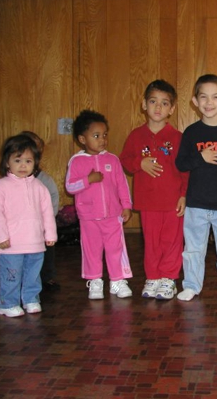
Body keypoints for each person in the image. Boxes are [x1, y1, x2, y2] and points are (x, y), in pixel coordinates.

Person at [175, 74, 217, 306]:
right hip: (196, 204)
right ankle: (191, 286)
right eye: (203, 97)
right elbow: (181, 164)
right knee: (193, 249)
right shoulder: (191, 133)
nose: (209, 102)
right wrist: (200, 157)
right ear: (195, 101)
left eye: (215, 97)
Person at [120, 80, 188, 300]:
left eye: (164, 103)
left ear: (172, 108)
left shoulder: (177, 138)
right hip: (148, 201)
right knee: (151, 241)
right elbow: (125, 160)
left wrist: (183, 196)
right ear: (143, 104)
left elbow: (186, 171)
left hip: (171, 202)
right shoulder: (136, 136)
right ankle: (153, 277)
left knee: (172, 241)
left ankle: (169, 278)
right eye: (153, 101)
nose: (158, 107)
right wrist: (140, 163)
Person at [65, 110, 133, 300]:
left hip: (113, 216)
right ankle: (95, 281)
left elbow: (122, 185)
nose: (102, 140)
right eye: (96, 136)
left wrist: (126, 205)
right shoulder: (76, 161)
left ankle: (117, 280)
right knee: (92, 250)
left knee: (115, 249)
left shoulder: (112, 159)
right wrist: (88, 180)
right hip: (89, 218)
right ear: (82, 139)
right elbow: (70, 186)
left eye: (104, 135)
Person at [0, 134, 57, 317]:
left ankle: (31, 299)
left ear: (35, 163)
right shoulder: (1, 186)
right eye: (17, 160)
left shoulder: (39, 187)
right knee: (11, 275)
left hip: (35, 242)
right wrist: (1, 237)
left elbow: (47, 213)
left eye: (28, 161)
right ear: (7, 162)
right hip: (11, 245)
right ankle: (7, 303)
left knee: (33, 275)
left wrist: (50, 234)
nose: (23, 165)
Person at [20, 131, 60, 291]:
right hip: (20, 227)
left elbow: (53, 199)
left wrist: (47, 222)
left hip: (42, 225)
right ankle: (23, 278)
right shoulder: (9, 181)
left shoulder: (44, 180)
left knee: (47, 251)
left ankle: (47, 277)